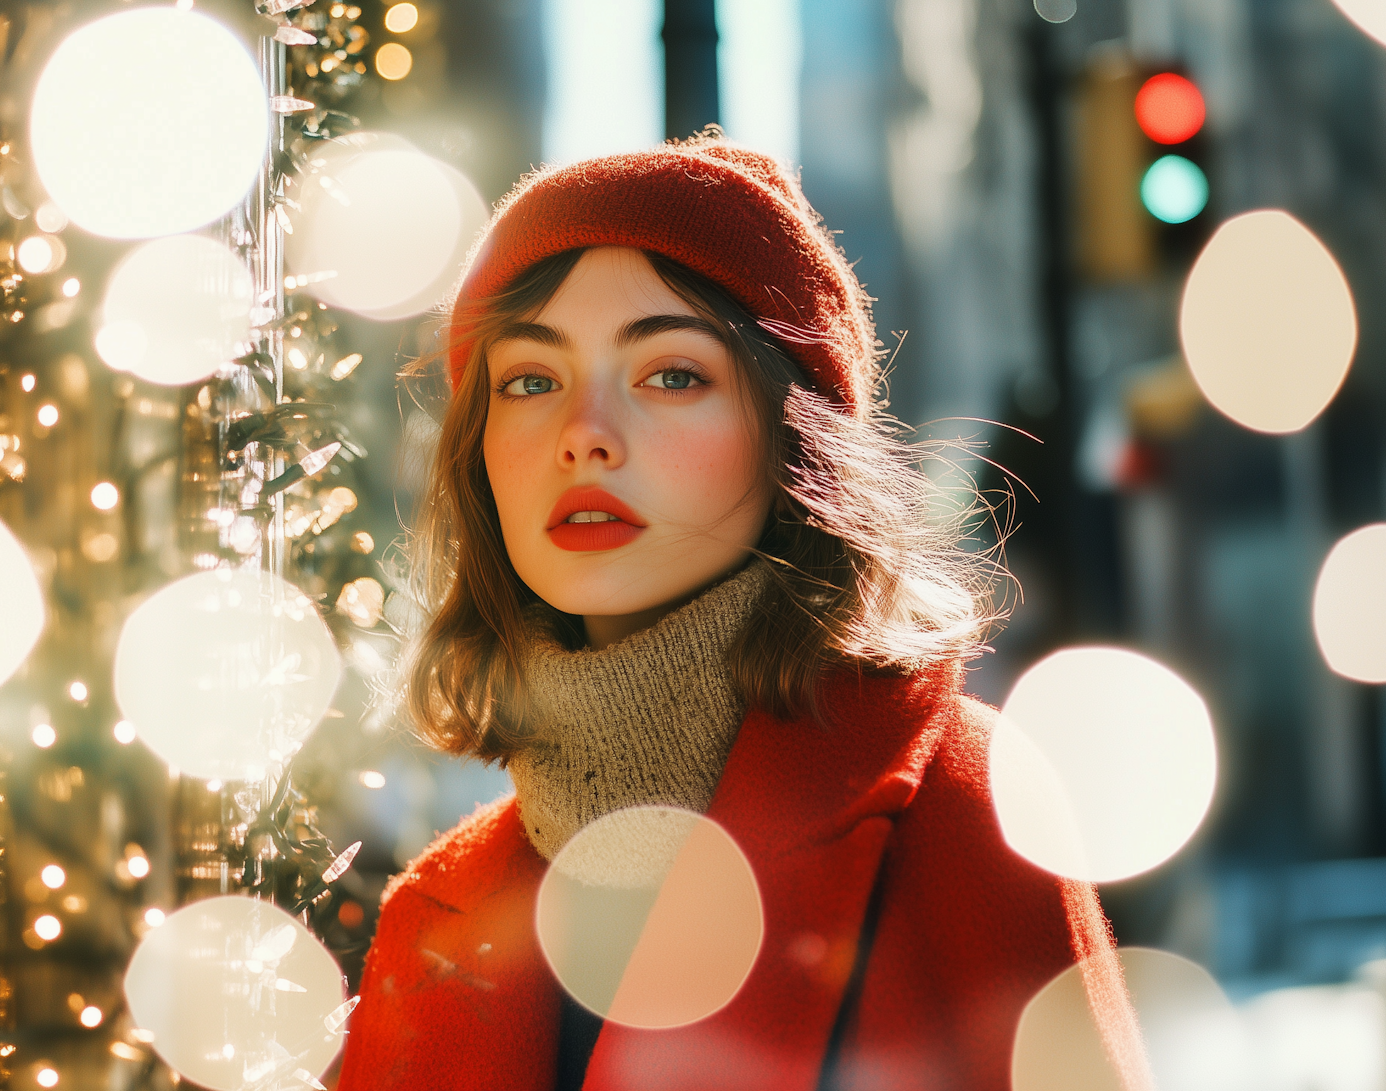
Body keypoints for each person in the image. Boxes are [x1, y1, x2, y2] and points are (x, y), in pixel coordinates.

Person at [337, 135, 1147, 1090]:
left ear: (792, 440)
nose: (585, 436)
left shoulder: (966, 804)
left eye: (672, 374)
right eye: (530, 380)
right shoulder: (436, 912)